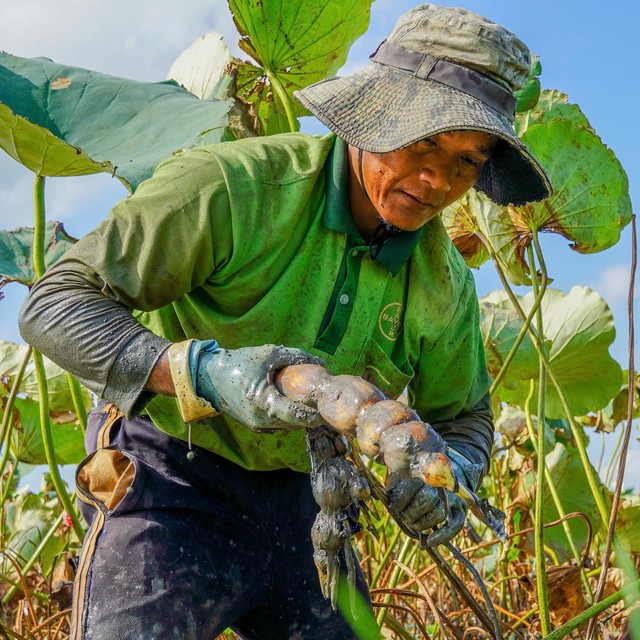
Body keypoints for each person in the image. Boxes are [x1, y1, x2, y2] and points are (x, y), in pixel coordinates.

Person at [18, 3, 551, 639]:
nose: (438, 177)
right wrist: (204, 373)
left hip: (311, 498)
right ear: (375, 112)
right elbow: (56, 302)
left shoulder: (444, 283)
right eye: (424, 139)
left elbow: (464, 420)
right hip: (173, 475)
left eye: (468, 160)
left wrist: (449, 474)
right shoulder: (231, 188)